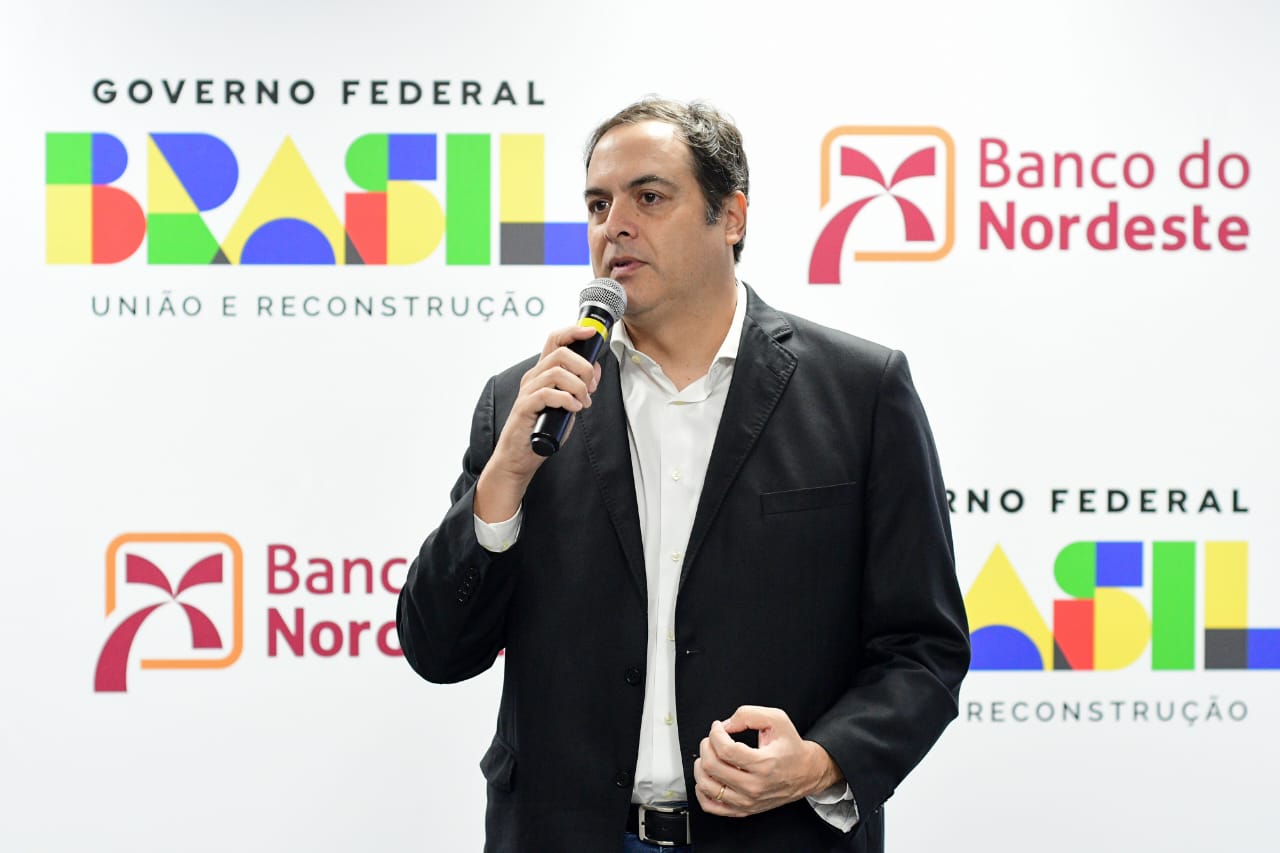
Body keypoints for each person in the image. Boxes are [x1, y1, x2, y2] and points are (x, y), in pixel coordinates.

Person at [397, 97, 969, 853]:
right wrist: (504, 477)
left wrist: (821, 761)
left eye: (649, 197)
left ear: (730, 217)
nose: (615, 225)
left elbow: (923, 647)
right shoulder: (527, 405)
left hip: (778, 839)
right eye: (598, 204)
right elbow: (439, 649)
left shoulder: (860, 391)